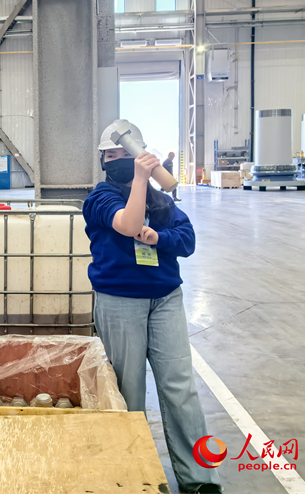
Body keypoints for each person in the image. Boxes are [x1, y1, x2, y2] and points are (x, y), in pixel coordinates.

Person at [83, 120, 221, 494]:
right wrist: (143, 179)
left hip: (165, 300)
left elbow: (187, 239)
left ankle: (200, 479)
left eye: (123, 153)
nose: (117, 160)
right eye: (110, 155)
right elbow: (128, 224)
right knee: (128, 391)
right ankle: (135, 475)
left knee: (180, 388)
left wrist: (159, 236)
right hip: (120, 301)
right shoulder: (100, 198)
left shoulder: (163, 202)